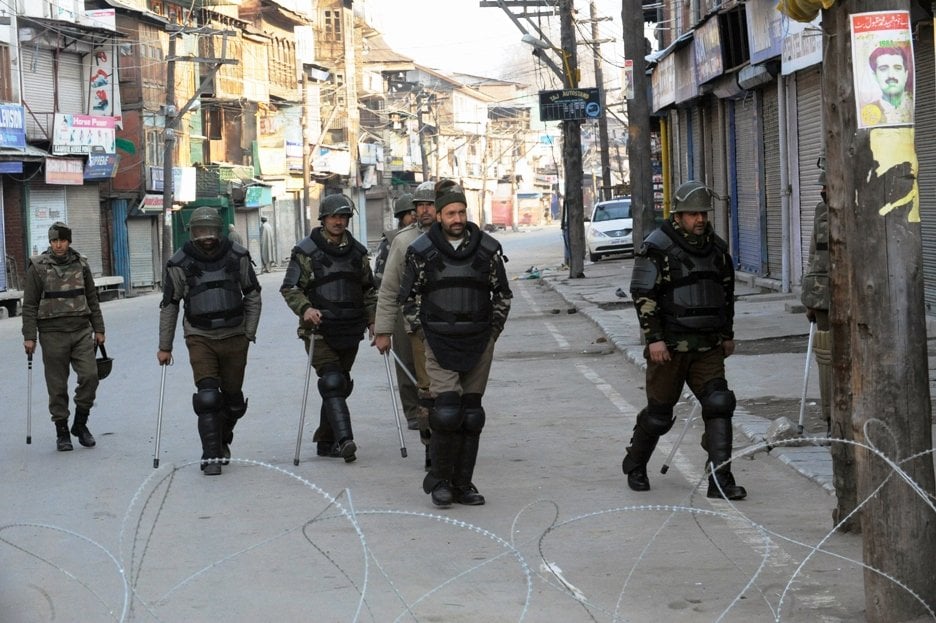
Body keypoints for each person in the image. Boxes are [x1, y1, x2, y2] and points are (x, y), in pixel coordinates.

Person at [622, 180, 746, 500]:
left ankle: (720, 477)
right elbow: (643, 294)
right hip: (670, 347)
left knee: (719, 403)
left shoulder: (716, 249)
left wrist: (727, 335)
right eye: (692, 213)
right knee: (659, 416)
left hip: (707, 346)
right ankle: (635, 464)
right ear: (678, 215)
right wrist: (654, 340)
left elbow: (726, 294)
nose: (700, 219)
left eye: (703, 213)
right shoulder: (657, 246)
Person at [398, 180, 512, 508]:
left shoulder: (487, 249)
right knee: (446, 413)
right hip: (438, 341)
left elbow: (503, 294)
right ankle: (440, 482)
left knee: (471, 415)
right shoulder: (421, 252)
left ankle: (464, 484)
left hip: (479, 341)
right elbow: (408, 298)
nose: (457, 218)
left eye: (461, 211)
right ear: (438, 215)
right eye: (450, 212)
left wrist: (493, 332)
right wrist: (421, 332)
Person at [157, 207, 262, 476]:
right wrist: (164, 346)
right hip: (199, 336)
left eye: (211, 230)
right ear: (192, 232)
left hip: (235, 335)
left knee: (233, 401)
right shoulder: (179, 263)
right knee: (207, 398)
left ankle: (223, 436)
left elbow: (252, 294)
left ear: (219, 230)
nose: (206, 236)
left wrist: (249, 332)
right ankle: (211, 454)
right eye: (201, 231)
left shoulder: (237, 256)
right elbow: (170, 305)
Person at [281, 193, 377, 463]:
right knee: (332, 381)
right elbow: (290, 287)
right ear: (323, 219)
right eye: (334, 216)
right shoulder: (306, 251)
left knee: (339, 384)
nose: (339, 221)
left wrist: (373, 320)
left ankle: (325, 440)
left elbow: (369, 289)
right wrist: (305, 309)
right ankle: (345, 440)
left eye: (344, 216)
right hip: (319, 331)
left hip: (350, 328)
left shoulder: (357, 253)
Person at [22, 221, 106, 452]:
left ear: (69, 241)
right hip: (51, 334)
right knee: (57, 387)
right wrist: (30, 336)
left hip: (81, 331)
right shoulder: (38, 267)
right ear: (50, 242)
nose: (58, 245)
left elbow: (92, 299)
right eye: (54, 241)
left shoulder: (81, 265)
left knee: (90, 376)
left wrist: (99, 329)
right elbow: (29, 305)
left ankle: (80, 424)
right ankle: (62, 431)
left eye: (62, 240)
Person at [373, 181, 438, 468]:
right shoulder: (402, 241)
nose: (424, 210)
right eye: (420, 205)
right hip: (415, 323)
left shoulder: (461, 237)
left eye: (430, 204)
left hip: (454, 327)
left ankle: (454, 443)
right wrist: (383, 329)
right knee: (424, 387)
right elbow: (388, 289)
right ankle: (431, 447)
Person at [373, 193, 420, 432]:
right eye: (410, 213)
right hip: (402, 310)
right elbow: (383, 285)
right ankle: (412, 411)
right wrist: (382, 325)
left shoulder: (430, 235)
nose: (415, 217)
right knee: (406, 363)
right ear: (401, 218)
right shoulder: (393, 242)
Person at [801, 167, 831, 437]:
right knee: (826, 356)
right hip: (824, 299)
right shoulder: (821, 213)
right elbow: (813, 258)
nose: (823, 191)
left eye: (827, 186)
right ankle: (832, 419)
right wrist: (810, 298)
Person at [860, 45, 913, 127]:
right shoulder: (866, 112)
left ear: (906, 75)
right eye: (883, 69)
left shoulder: (915, 106)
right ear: (875, 76)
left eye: (897, 68)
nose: (891, 75)